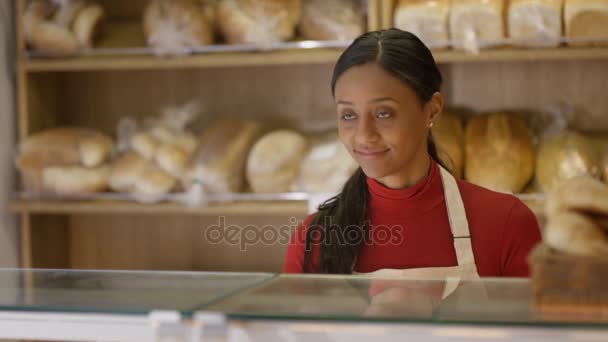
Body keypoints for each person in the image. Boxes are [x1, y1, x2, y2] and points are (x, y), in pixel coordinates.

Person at [283, 29, 542, 277]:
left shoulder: (507, 224)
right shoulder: (313, 238)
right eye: (348, 115)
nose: (363, 135)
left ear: (432, 110)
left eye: (384, 113)